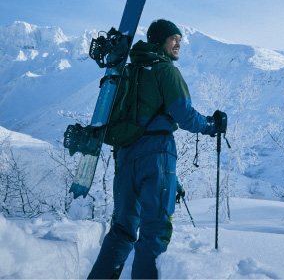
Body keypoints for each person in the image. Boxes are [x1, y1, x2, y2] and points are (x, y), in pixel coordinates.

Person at [88, 19, 226, 280]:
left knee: (122, 230)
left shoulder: (129, 71)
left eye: (180, 40)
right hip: (158, 156)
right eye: (173, 38)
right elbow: (184, 116)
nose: (178, 44)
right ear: (159, 41)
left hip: (126, 157)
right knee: (154, 231)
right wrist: (212, 125)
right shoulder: (166, 71)